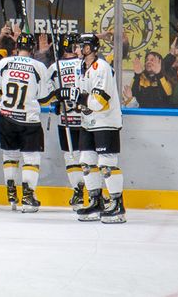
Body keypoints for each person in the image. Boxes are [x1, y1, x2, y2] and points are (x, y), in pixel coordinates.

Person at [0, 32, 54, 212]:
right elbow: (45, 100)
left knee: (10, 155)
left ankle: (11, 193)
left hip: (5, 119)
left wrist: (1, 108)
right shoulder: (39, 66)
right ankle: (28, 197)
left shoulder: (4, 63)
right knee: (31, 158)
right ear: (33, 49)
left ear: (16, 47)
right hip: (29, 120)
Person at [69, 32, 126, 223]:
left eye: (79, 46)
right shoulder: (80, 67)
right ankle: (96, 202)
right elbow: (82, 100)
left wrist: (79, 98)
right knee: (86, 162)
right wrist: (67, 99)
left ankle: (117, 206)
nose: (76, 49)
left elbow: (98, 102)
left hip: (106, 122)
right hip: (88, 122)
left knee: (106, 165)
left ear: (89, 48)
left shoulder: (101, 67)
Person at [47, 33, 87, 209]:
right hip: (85, 118)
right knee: (88, 155)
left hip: (66, 119)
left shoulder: (55, 67)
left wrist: (56, 101)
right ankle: (94, 191)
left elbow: (46, 92)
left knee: (70, 156)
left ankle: (78, 191)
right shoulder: (85, 64)